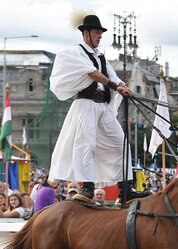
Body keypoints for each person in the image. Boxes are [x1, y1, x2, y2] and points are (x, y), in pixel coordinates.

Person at [48, 14, 149, 204]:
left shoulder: (100, 56)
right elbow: (93, 74)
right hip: (86, 104)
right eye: (97, 32)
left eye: (101, 33)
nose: (100, 36)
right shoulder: (76, 53)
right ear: (86, 33)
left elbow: (111, 74)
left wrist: (123, 86)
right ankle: (87, 188)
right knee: (85, 145)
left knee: (120, 143)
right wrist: (114, 85)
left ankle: (125, 189)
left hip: (103, 107)